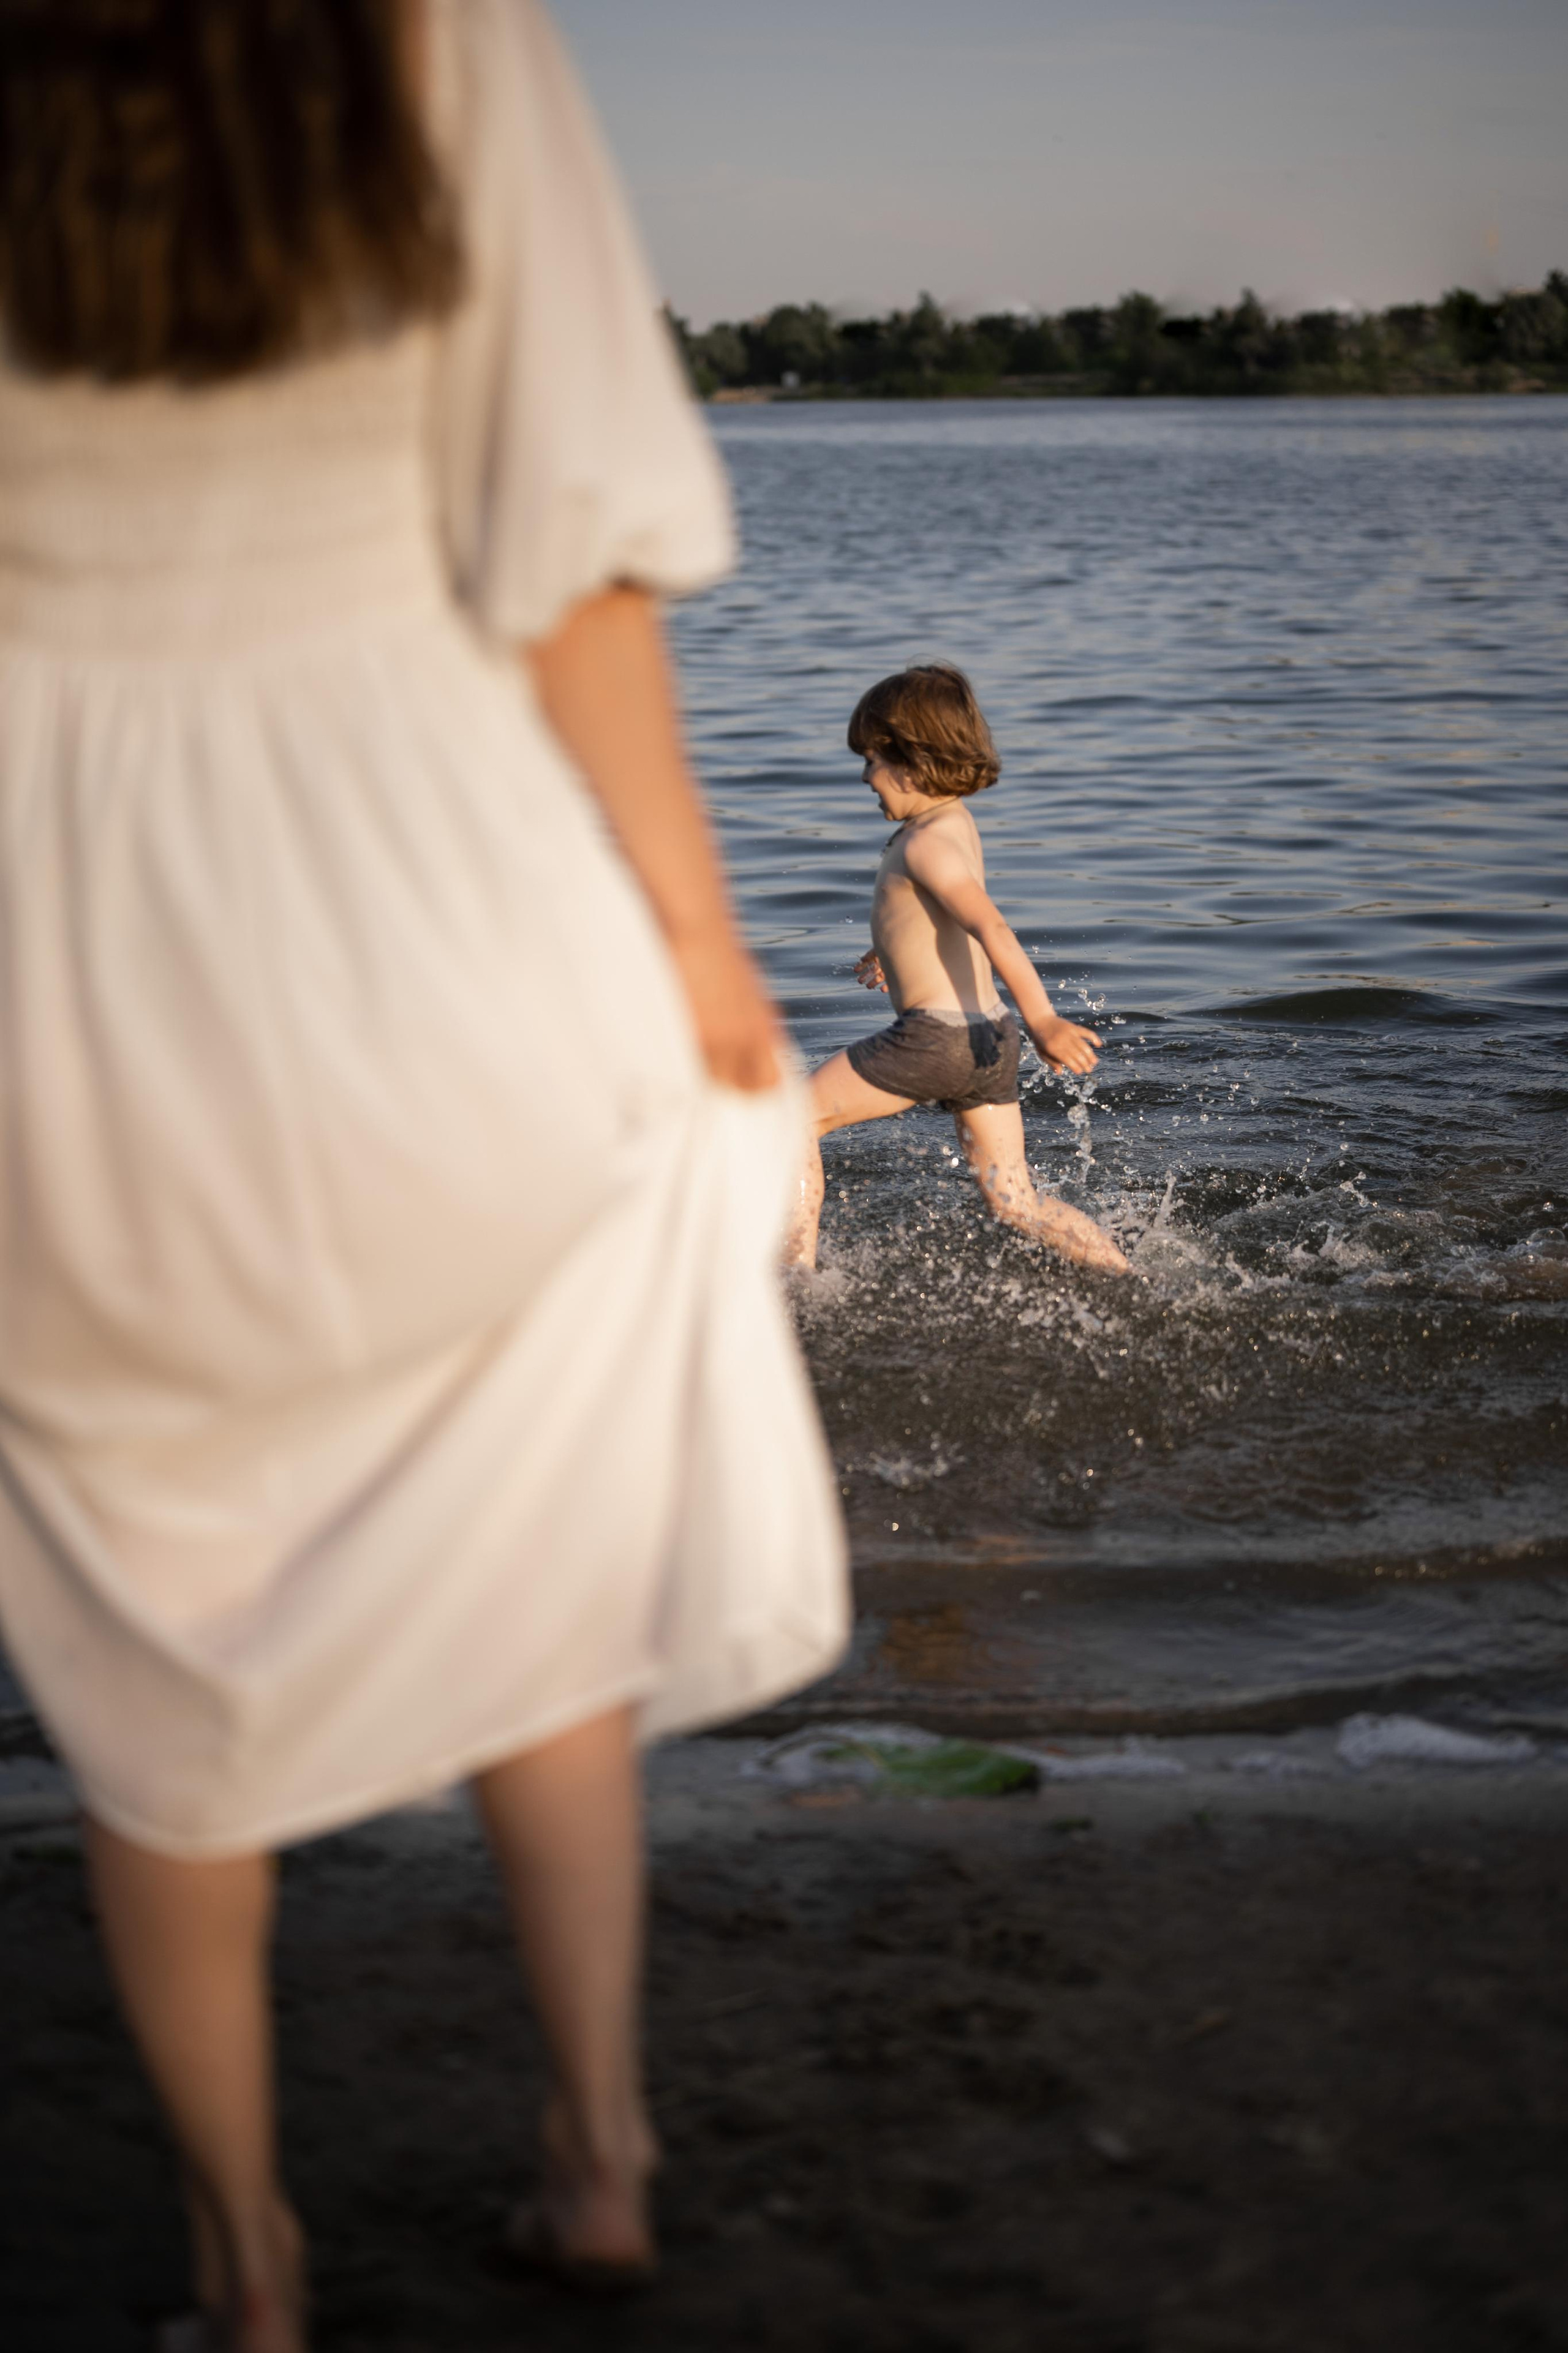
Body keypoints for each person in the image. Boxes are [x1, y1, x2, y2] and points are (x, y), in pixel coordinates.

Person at [0, 4, 847, 2346]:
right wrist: (697, 951)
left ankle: (244, 2270)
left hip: (47, 950)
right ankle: (595, 2154)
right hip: (431, 892)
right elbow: (576, 558)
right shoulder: (435, 34)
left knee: (147, 1629)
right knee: (531, 1543)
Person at [785, 664, 1130, 1274]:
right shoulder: (951, 824)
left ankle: (796, 1283)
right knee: (1015, 1203)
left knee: (790, 1121)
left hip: (935, 1039)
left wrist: (1046, 1018)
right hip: (988, 1040)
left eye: (872, 759)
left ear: (913, 762)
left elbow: (990, 926)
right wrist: (890, 948)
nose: (865, 776)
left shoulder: (923, 844)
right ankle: (1130, 1276)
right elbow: (934, 920)